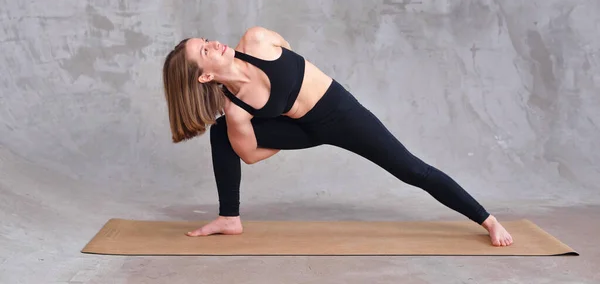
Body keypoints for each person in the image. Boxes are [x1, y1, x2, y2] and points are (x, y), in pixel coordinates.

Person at [162, 26, 514, 247]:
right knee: (221, 132)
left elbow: (291, 53)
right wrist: (304, 134)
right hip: (305, 127)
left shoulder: (257, 40)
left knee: (410, 169)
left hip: (341, 113)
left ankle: (487, 219)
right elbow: (250, 154)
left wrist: (301, 104)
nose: (214, 44)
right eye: (204, 51)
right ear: (204, 77)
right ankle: (229, 218)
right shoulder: (237, 110)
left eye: (206, 40)